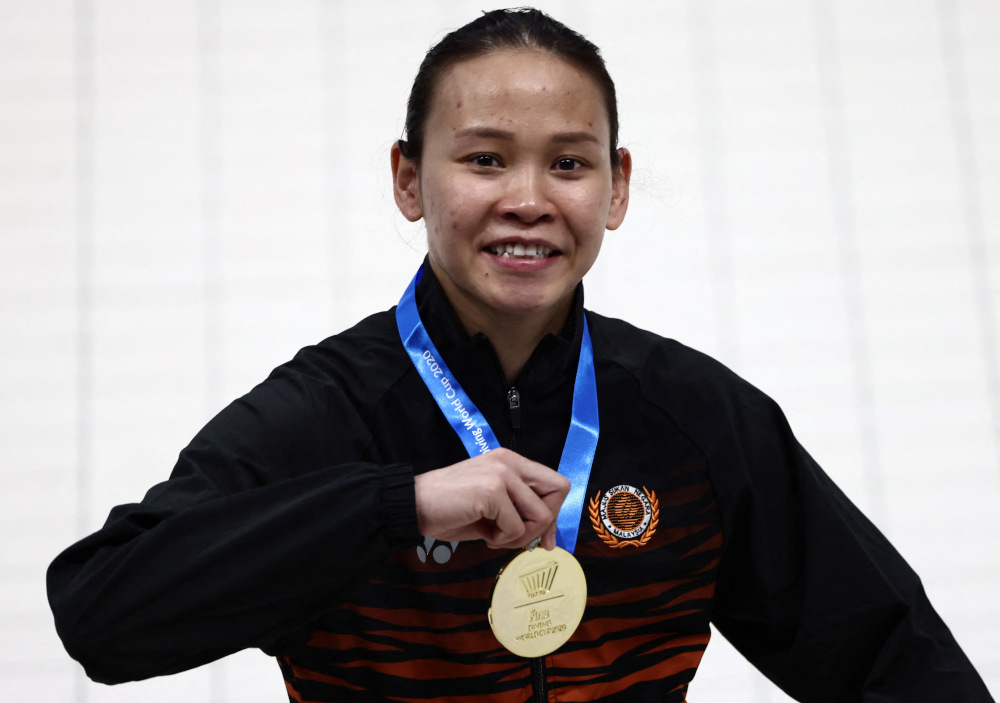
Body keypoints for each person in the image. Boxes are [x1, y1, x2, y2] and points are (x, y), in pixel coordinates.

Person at [47, 8, 993, 702]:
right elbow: (103, 614)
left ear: (616, 188)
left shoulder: (695, 419)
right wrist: (396, 505)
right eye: (486, 159)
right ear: (409, 178)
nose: (530, 199)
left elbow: (889, 657)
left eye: (569, 163)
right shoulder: (324, 415)